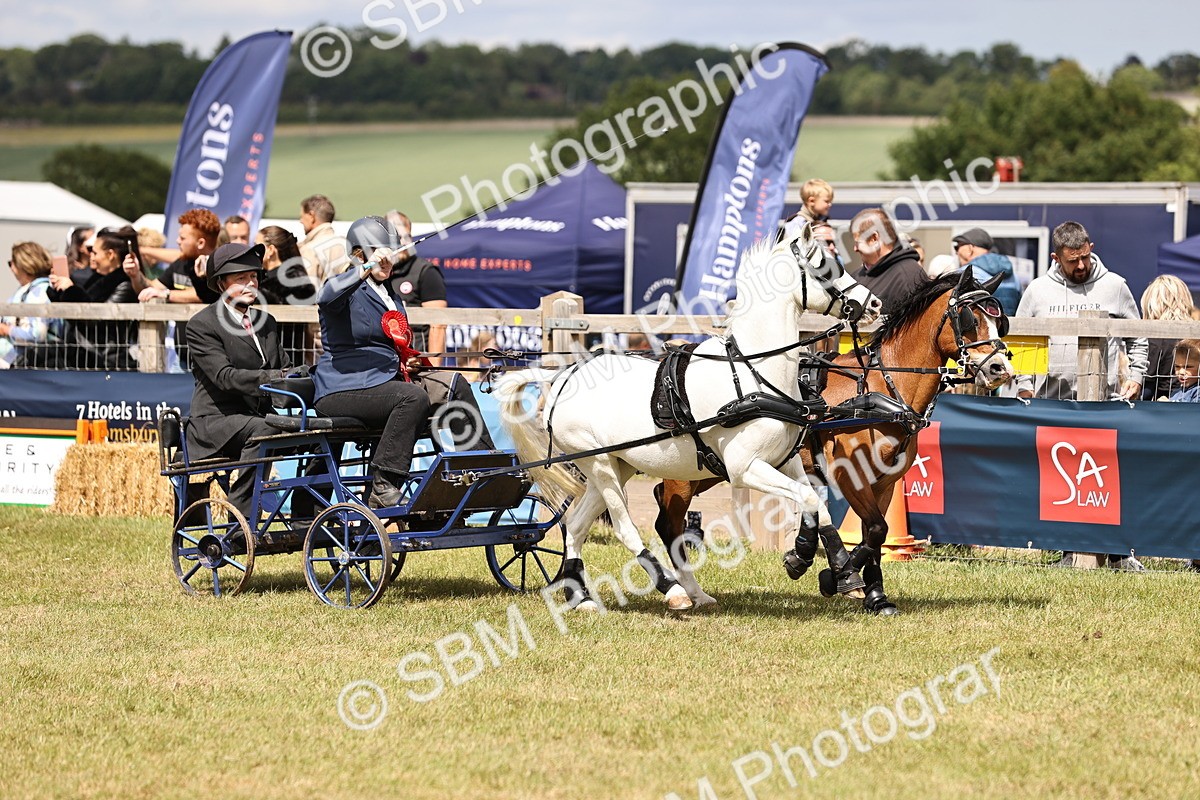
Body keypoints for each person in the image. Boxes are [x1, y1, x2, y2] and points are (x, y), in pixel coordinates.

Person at [312, 215, 495, 509]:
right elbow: (325, 297)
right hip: (345, 387)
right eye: (378, 253)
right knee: (411, 397)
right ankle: (384, 484)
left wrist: (407, 361)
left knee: (452, 385)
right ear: (358, 253)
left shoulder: (390, 294)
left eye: (390, 254)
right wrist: (367, 267)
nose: (386, 261)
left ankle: (481, 472)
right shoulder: (344, 288)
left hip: (387, 381)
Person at [185, 242, 291, 520]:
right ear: (221, 284)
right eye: (240, 279)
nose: (250, 284)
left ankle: (307, 516)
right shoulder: (202, 325)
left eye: (253, 277)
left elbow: (285, 368)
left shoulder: (266, 322)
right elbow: (224, 377)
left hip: (257, 418)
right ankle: (241, 519)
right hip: (217, 423)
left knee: (319, 436)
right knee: (265, 428)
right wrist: (275, 378)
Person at [1014, 221, 1148, 402]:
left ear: (1091, 248)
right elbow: (1021, 340)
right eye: (1072, 260)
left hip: (1104, 403)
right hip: (1049, 403)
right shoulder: (1037, 290)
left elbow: (1138, 337)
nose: (1081, 266)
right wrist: (1024, 385)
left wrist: (1136, 377)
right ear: (1056, 258)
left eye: (1085, 257)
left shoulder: (1115, 286)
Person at [48, 226, 139, 370]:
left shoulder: (125, 285)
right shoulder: (94, 280)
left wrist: (71, 290)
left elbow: (97, 319)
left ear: (110, 254)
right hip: (81, 356)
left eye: (94, 252)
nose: (91, 256)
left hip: (107, 361)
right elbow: (77, 309)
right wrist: (59, 290)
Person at [385, 210, 448, 364]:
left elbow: (438, 324)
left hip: (417, 363)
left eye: (404, 236)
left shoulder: (426, 272)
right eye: (395, 237)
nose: (401, 242)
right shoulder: (378, 273)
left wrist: (433, 369)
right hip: (385, 362)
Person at [255, 225, 318, 367]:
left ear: (270, 250)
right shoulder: (263, 279)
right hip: (271, 358)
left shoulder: (294, 279)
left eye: (257, 245)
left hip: (288, 358)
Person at [848, 208, 928, 313]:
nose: (855, 249)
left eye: (858, 242)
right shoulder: (855, 278)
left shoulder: (910, 278)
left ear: (874, 238)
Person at [135, 209, 221, 305]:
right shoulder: (181, 263)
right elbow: (152, 288)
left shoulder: (219, 266)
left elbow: (203, 295)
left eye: (182, 238)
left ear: (200, 243)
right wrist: (135, 274)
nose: (177, 241)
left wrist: (166, 294)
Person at [0, 242, 62, 368]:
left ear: (23, 265)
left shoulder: (38, 293)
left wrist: (7, 330)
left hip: (21, 364)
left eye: (12, 263)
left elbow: (38, 334)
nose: (11, 268)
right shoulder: (28, 291)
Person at [1139, 275, 1195, 401]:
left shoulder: (1149, 340)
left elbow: (1145, 391)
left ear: (1150, 302)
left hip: (1154, 411)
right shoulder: (1194, 338)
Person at [952, 227, 1021, 314]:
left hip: (982, 327)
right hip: (1008, 326)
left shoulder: (964, 275)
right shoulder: (1014, 277)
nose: (956, 252)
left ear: (970, 248)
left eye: (957, 247)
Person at [779, 178, 839, 264]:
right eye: (826, 201)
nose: (830, 204)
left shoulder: (822, 221)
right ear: (811, 201)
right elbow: (792, 251)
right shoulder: (796, 223)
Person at [298, 194, 348, 285]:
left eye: (302, 216)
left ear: (311, 216)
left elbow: (306, 292)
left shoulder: (309, 250)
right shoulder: (347, 244)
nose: (300, 221)